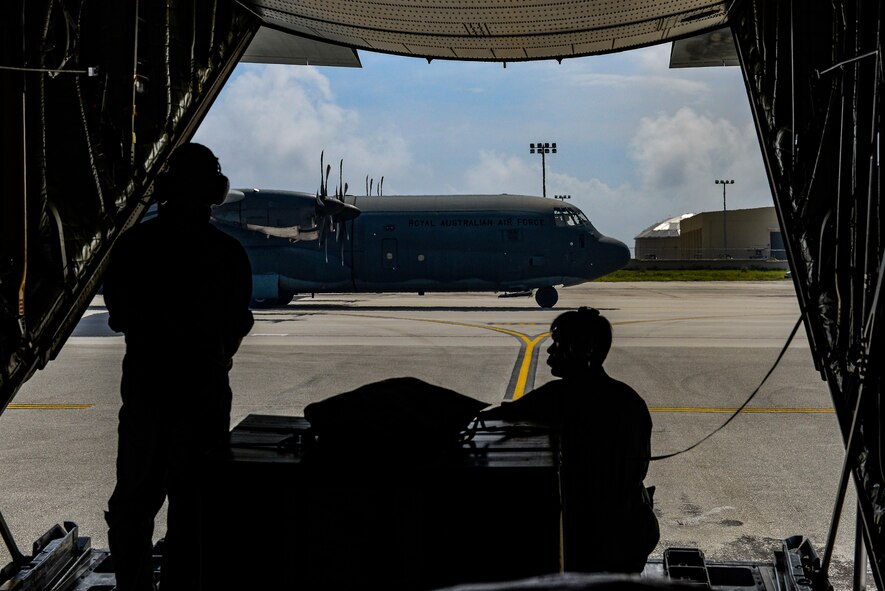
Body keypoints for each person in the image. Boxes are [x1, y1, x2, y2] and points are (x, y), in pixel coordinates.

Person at [102, 142, 254, 591]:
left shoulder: (133, 247)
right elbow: (237, 324)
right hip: (203, 398)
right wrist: (214, 354)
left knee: (133, 505)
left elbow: (118, 317)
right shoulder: (228, 253)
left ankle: (133, 586)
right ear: (215, 191)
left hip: (146, 395)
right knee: (195, 509)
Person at [480, 306, 659, 574]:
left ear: (583, 349)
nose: (550, 352)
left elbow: (499, 416)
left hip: (588, 541)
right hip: (631, 533)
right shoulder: (630, 399)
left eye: (558, 344)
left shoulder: (560, 397)